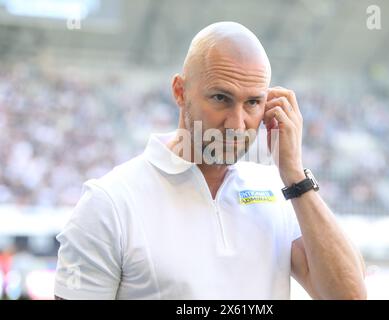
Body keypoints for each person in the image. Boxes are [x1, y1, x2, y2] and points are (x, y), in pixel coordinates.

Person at [54, 21, 366, 300]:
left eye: (253, 102)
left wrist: (295, 176)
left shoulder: (282, 192)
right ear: (180, 91)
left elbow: (349, 297)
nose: (237, 123)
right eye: (221, 98)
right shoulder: (108, 202)